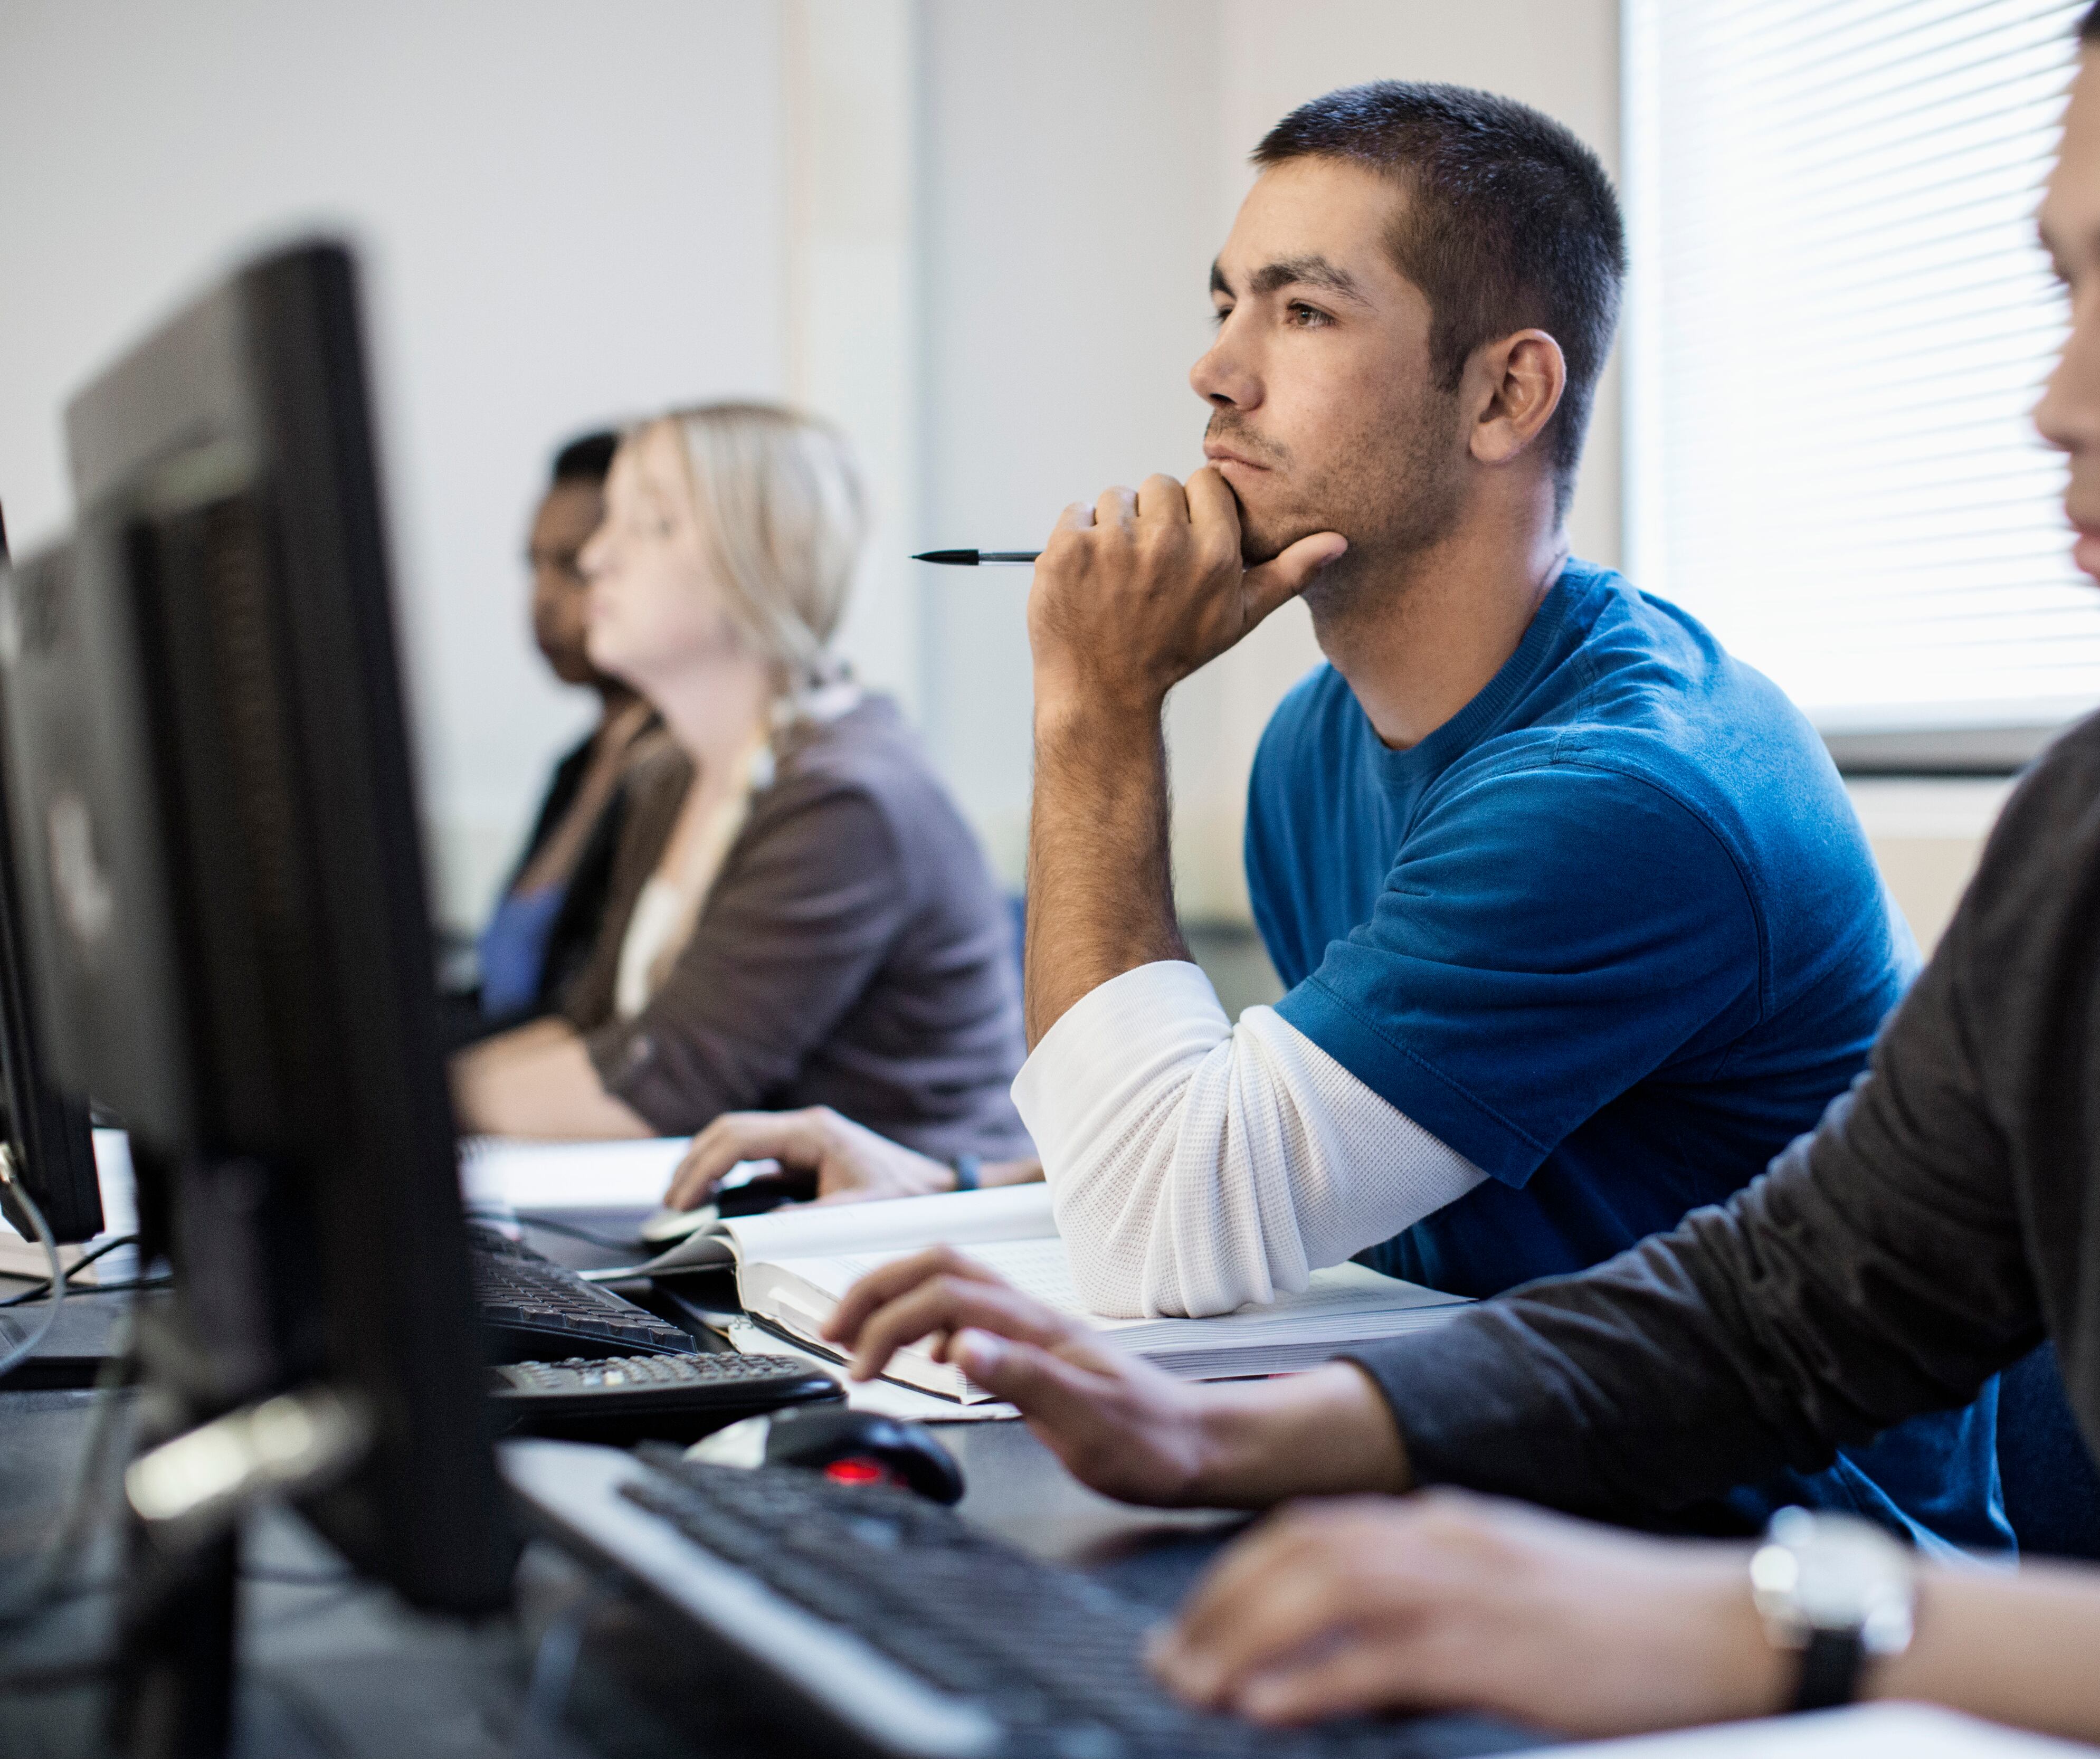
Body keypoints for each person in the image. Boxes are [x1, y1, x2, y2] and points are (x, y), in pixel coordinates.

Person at [811, 4, 2100, 1753]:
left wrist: (1779, 1622)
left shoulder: (1655, 776)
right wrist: (1256, 1436)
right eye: (2069, 290)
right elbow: (1792, 1297)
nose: (2064, 401)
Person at [670, 83, 2029, 1556]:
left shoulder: (1622, 794)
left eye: (1304, 313)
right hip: (1482, 1452)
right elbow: (1332, 1142)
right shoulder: (1320, 738)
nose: (1212, 372)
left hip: (1758, 1545)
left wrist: (1095, 707)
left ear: (1508, 395)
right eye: (1225, 304)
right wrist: (950, 1186)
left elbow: (1159, 1236)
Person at [451, 403, 1030, 1164]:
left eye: (650, 525)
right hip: (759, 1231)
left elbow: (666, 1085)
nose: (596, 558)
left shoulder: (846, 798)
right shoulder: (671, 776)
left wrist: (399, 1108)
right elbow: (598, 1030)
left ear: (761, 561)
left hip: (900, 1247)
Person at [446, 430, 667, 1047]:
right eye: (533, 566)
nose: (542, 601)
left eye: (574, 566)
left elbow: (597, 1021)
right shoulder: (577, 767)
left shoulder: (678, 771)